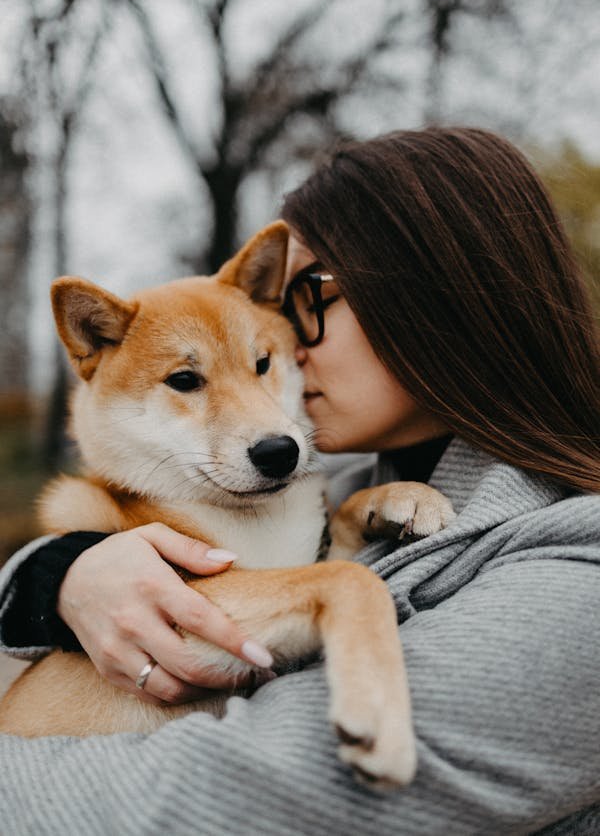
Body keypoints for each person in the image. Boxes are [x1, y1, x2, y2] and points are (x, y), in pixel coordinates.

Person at [1, 126, 599, 835]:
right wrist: (61, 578)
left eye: (305, 295)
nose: (283, 338)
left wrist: (340, 594)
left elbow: (205, 806)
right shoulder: (344, 482)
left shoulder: (574, 588)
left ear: (434, 297)